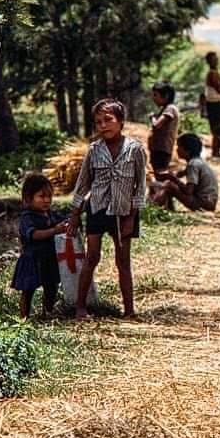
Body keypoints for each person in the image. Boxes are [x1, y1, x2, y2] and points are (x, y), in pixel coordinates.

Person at [67, 99, 147, 319]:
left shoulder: (135, 149)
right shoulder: (94, 150)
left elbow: (140, 185)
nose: (103, 125)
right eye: (98, 122)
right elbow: (83, 184)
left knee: (123, 261)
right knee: (92, 257)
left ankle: (129, 310)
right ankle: (80, 308)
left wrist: (132, 216)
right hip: (97, 209)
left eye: (108, 120)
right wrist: (75, 215)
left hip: (123, 212)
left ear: (121, 122)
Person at [11, 174, 68, 318]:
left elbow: (65, 220)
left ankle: (47, 313)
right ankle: (23, 318)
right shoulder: (27, 218)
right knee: (28, 290)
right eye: (41, 196)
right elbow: (34, 235)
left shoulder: (50, 214)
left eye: (49, 196)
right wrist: (55, 230)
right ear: (29, 197)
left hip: (49, 258)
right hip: (32, 259)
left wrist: (71, 221)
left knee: (51, 287)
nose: (47, 200)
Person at [150, 133, 219, 212]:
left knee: (169, 185)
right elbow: (179, 173)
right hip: (209, 203)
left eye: (179, 147)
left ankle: (152, 207)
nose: (177, 149)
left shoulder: (193, 165)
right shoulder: (198, 162)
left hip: (203, 204)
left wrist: (172, 178)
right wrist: (167, 175)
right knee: (167, 184)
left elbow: (188, 191)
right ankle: (168, 208)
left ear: (187, 151)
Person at [148, 81, 179, 173]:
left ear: (166, 96)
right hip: (158, 148)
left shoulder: (170, 109)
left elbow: (157, 125)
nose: (153, 98)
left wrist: (153, 117)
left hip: (162, 149)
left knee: (160, 172)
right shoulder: (165, 109)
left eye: (155, 95)